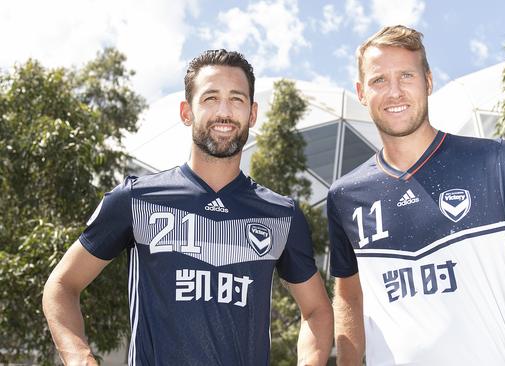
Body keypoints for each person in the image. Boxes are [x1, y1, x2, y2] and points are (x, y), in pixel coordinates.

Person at [327, 25, 505, 366]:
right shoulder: (345, 196)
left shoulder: (494, 161)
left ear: (428, 81)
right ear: (361, 92)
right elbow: (348, 296)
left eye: (406, 76)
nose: (394, 92)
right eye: (378, 80)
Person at [43, 49, 333, 365]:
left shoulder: (280, 215)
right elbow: (61, 285)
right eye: (210, 98)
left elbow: (317, 310)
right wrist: (79, 358)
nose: (224, 112)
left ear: (252, 113)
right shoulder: (135, 200)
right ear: (186, 112)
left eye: (236, 99)